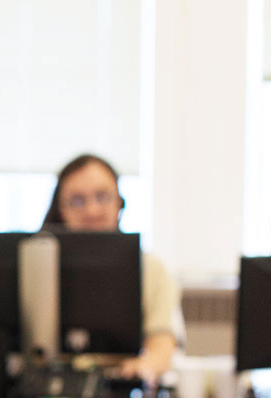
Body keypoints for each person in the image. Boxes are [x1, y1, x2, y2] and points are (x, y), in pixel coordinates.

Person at [41, 153, 186, 383]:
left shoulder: (152, 269)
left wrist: (144, 367)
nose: (91, 211)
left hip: (122, 392)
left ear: (120, 203)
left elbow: (162, 347)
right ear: (60, 209)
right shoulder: (38, 270)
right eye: (77, 200)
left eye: (102, 197)